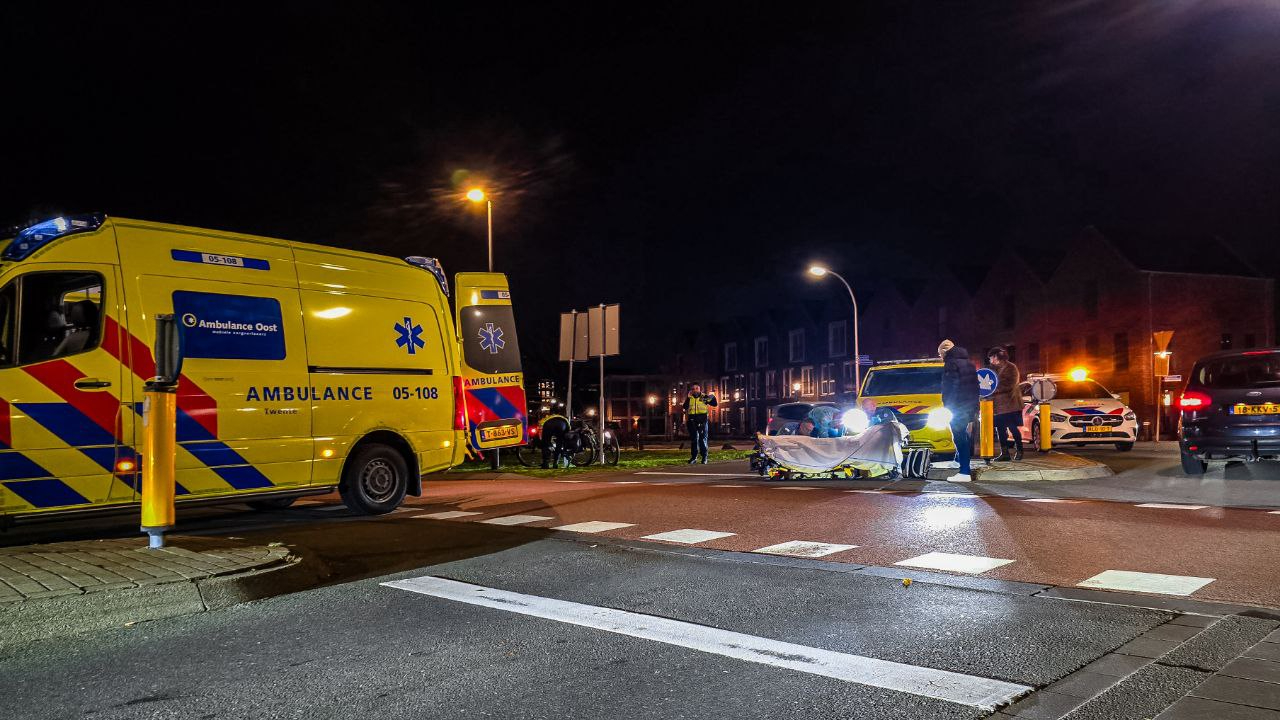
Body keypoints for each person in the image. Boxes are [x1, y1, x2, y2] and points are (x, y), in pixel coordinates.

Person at [939, 339, 980, 482]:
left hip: (957, 406)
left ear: (945, 351)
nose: (940, 357)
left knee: (959, 436)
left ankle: (964, 472)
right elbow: (975, 387)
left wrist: (948, 407)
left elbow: (951, 386)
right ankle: (959, 461)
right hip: (969, 405)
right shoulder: (969, 363)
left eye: (940, 354)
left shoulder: (951, 363)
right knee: (963, 435)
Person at [987, 347, 1024, 461]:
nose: (990, 360)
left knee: (1012, 427)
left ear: (996, 357)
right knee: (1000, 428)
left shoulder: (1011, 367)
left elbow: (1010, 384)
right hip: (997, 406)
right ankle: (1005, 453)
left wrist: (994, 389)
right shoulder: (992, 369)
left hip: (1010, 404)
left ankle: (1020, 450)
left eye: (991, 357)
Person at [683, 384, 717, 464]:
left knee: (702, 439)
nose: (695, 390)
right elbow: (685, 407)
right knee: (694, 439)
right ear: (691, 390)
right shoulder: (690, 398)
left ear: (700, 389)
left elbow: (714, 404)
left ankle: (704, 457)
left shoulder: (703, 397)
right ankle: (694, 458)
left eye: (697, 388)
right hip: (692, 420)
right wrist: (688, 398)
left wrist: (712, 397)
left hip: (702, 420)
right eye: (693, 389)